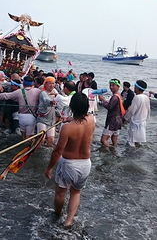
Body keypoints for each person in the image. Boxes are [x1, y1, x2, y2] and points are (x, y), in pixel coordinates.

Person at [44, 92, 95, 227]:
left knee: (61, 192)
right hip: (85, 164)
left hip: (69, 164)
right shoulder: (91, 120)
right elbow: (81, 120)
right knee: (76, 191)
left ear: (71, 107)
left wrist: (49, 168)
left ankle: (57, 215)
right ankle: (69, 221)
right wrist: (68, 119)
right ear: (87, 106)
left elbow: (57, 151)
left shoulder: (67, 129)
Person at [98, 79, 125, 147]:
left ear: (118, 87)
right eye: (110, 85)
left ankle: (111, 150)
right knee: (114, 139)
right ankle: (114, 153)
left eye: (113, 85)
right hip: (118, 120)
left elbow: (109, 107)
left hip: (112, 121)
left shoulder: (115, 97)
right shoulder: (119, 95)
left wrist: (103, 100)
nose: (111, 87)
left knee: (103, 140)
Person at [124, 80, 150, 147]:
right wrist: (146, 118)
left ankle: (131, 156)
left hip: (135, 122)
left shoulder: (137, 97)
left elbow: (132, 111)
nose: (134, 88)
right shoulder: (146, 97)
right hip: (143, 122)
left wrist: (125, 118)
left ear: (137, 88)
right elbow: (148, 110)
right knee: (139, 141)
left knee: (131, 141)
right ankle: (139, 155)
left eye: (135, 86)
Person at [37, 77, 58, 146]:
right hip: (42, 119)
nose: (51, 85)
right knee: (41, 139)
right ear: (45, 84)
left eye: (53, 83)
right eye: (49, 83)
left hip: (51, 120)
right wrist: (51, 101)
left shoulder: (55, 93)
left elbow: (59, 105)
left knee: (51, 140)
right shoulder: (43, 93)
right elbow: (46, 100)